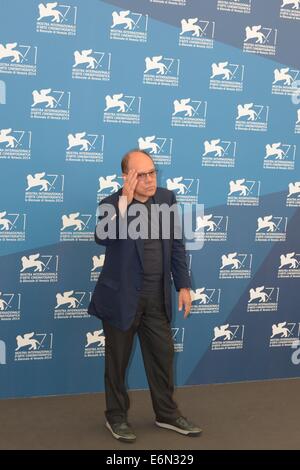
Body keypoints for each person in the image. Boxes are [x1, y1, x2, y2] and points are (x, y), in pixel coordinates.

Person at [88, 149, 202, 442]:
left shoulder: (166, 199)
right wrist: (124, 203)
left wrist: (184, 286)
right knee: (117, 362)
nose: (151, 180)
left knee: (163, 357)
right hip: (122, 298)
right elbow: (103, 236)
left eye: (153, 172)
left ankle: (166, 413)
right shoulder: (110, 205)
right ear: (127, 177)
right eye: (143, 174)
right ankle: (115, 417)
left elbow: (176, 245)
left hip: (156, 297)